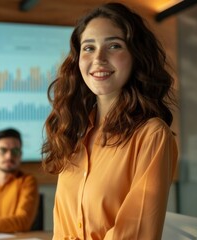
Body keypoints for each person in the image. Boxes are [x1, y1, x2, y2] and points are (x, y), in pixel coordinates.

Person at [42, 2, 178, 239]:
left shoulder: (152, 135)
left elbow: (137, 233)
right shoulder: (75, 132)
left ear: (136, 55)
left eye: (114, 45)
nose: (99, 59)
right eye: (88, 48)